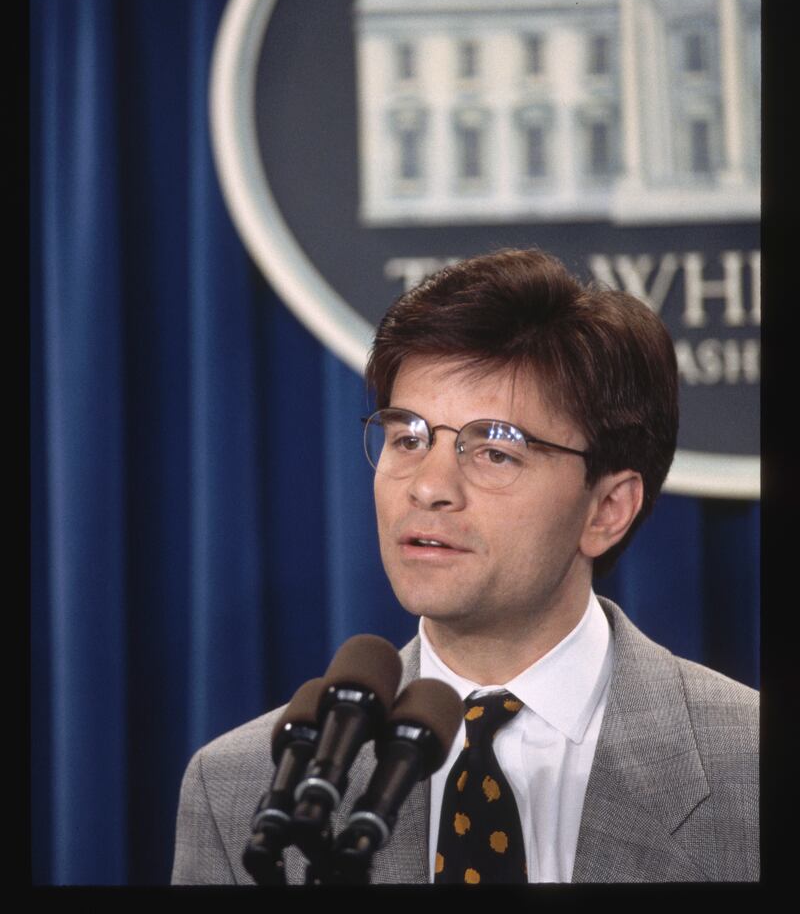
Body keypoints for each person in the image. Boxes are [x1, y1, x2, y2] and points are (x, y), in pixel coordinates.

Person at [171, 247, 758, 884]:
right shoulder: (244, 789)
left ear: (607, 509)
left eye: (495, 451)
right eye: (408, 438)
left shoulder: (752, 768)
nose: (428, 487)